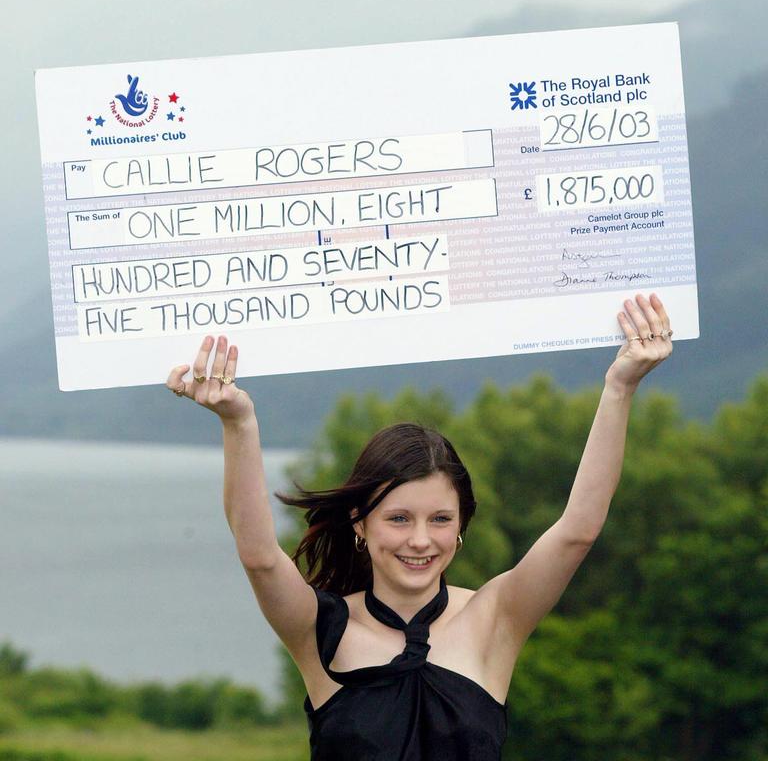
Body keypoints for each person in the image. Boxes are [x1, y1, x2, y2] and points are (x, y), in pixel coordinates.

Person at [165, 292, 674, 760]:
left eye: (440, 519)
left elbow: (578, 530)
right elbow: (258, 554)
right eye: (399, 518)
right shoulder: (320, 628)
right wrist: (239, 422)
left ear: (460, 527)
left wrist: (620, 385)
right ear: (359, 524)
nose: (420, 539)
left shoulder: (495, 617)